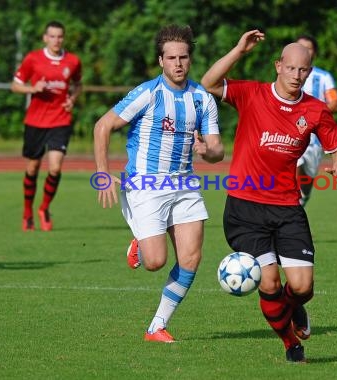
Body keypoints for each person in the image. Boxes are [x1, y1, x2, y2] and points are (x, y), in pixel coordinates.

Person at [201, 30, 337, 362]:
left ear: (309, 72)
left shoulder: (314, 110)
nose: (297, 75)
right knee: (268, 284)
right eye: (291, 68)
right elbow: (209, 83)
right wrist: (239, 50)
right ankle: (290, 344)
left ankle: (294, 307)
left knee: (302, 288)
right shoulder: (252, 94)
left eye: (303, 70)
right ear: (278, 66)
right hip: (245, 209)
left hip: (287, 208)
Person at [94, 25, 224, 343]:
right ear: (160, 61)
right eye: (171, 58)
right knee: (155, 262)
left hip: (184, 184)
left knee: (191, 258)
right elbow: (103, 125)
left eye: (183, 57)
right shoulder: (147, 94)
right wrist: (102, 173)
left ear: (190, 60)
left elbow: (217, 151)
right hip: (146, 184)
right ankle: (140, 240)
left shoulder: (201, 99)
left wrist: (208, 151)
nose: (178, 63)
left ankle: (157, 326)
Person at [11, 21, 82, 231]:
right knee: (32, 168)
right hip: (35, 122)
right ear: (45, 38)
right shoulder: (33, 59)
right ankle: (27, 212)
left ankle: (43, 208)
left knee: (55, 167)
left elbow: (78, 84)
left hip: (60, 120)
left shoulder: (73, 61)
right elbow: (15, 86)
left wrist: (73, 98)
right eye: (52, 36)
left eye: (60, 36)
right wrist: (33, 88)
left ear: (63, 38)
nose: (56, 40)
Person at [295, 34, 337, 207]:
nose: (304, 51)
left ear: (314, 53)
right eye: (300, 47)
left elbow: (334, 103)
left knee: (306, 185)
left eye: (308, 48)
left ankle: (299, 202)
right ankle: (287, 207)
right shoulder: (285, 74)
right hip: (290, 134)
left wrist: (313, 115)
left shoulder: (323, 77)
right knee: (293, 166)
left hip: (314, 140)